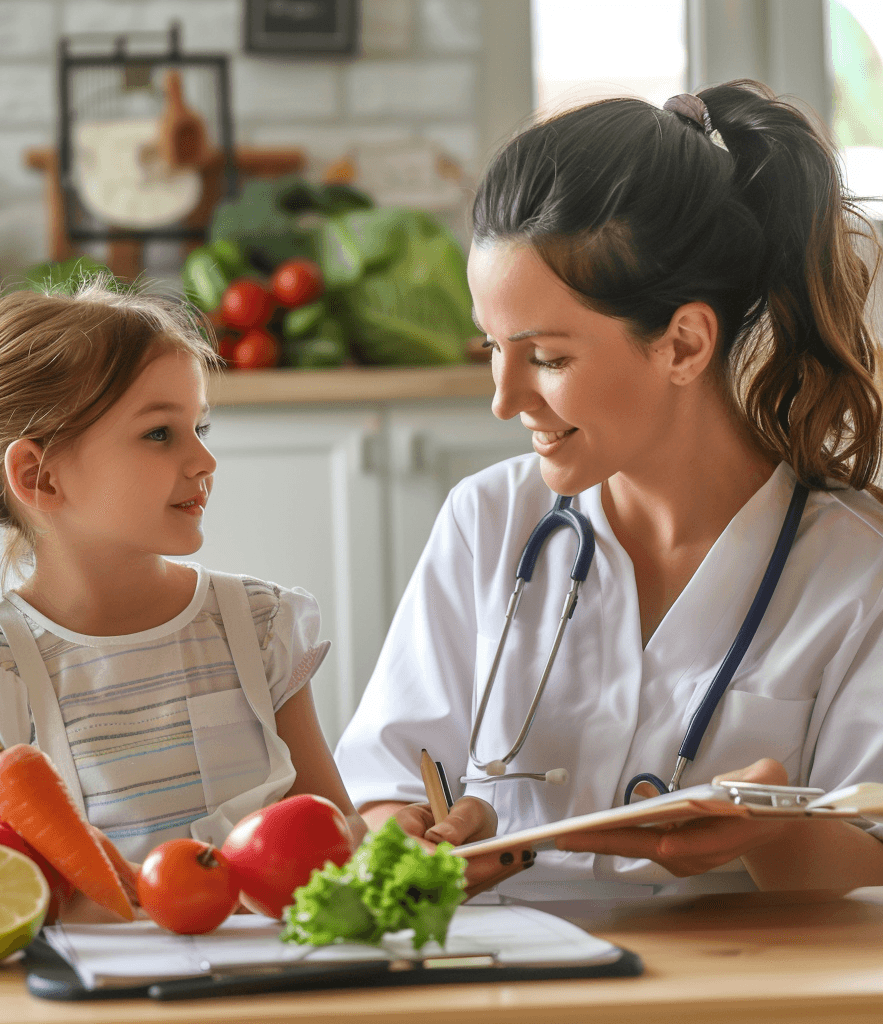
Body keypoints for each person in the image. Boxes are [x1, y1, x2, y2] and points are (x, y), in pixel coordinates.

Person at [334, 80, 883, 902]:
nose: (503, 398)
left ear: (684, 344)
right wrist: (410, 835)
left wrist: (772, 831)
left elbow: (872, 861)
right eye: (492, 347)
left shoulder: (858, 570)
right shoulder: (487, 521)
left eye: (547, 358)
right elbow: (385, 780)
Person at [0, 280, 365, 921]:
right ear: (39, 476)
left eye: (199, 426)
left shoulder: (257, 627)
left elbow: (339, 846)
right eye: (160, 434)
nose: (204, 459)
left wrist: (406, 847)